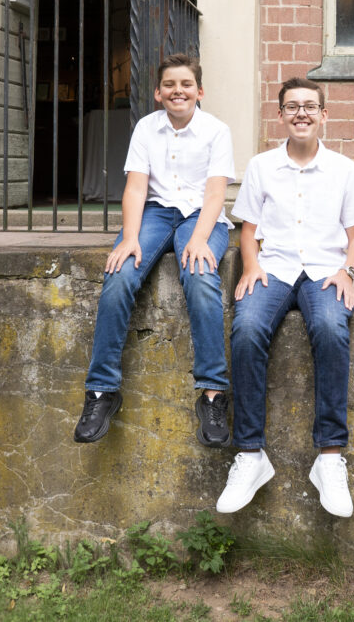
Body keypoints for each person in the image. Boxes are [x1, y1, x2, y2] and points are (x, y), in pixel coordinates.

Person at [216, 77, 354, 518]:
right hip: (274, 269)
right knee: (247, 328)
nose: (301, 113)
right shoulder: (262, 167)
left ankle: (330, 457)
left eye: (309, 106)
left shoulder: (344, 169)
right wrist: (251, 266)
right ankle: (250, 454)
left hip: (325, 271)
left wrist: (348, 272)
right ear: (281, 115)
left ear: (323, 115)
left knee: (330, 327)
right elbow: (248, 230)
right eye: (292, 106)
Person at [73, 53, 236, 448]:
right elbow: (135, 188)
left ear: (199, 91)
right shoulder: (146, 128)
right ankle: (101, 391)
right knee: (120, 274)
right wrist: (130, 237)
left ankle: (213, 394)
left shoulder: (217, 131)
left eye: (186, 84)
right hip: (156, 213)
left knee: (200, 275)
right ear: (159, 92)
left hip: (202, 215)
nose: (178, 91)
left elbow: (216, 193)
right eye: (169, 85)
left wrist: (199, 238)